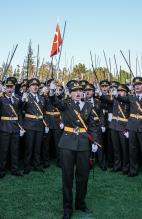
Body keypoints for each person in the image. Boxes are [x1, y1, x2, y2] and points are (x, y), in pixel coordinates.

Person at [49, 80, 97, 219]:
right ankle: (67, 208)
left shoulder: (88, 105)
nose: (78, 93)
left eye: (80, 91)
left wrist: (95, 141)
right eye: (74, 91)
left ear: (83, 93)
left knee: (83, 177)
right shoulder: (66, 104)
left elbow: (93, 125)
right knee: (67, 177)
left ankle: (80, 203)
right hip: (67, 143)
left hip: (83, 144)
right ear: (69, 94)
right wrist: (52, 92)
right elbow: (55, 102)